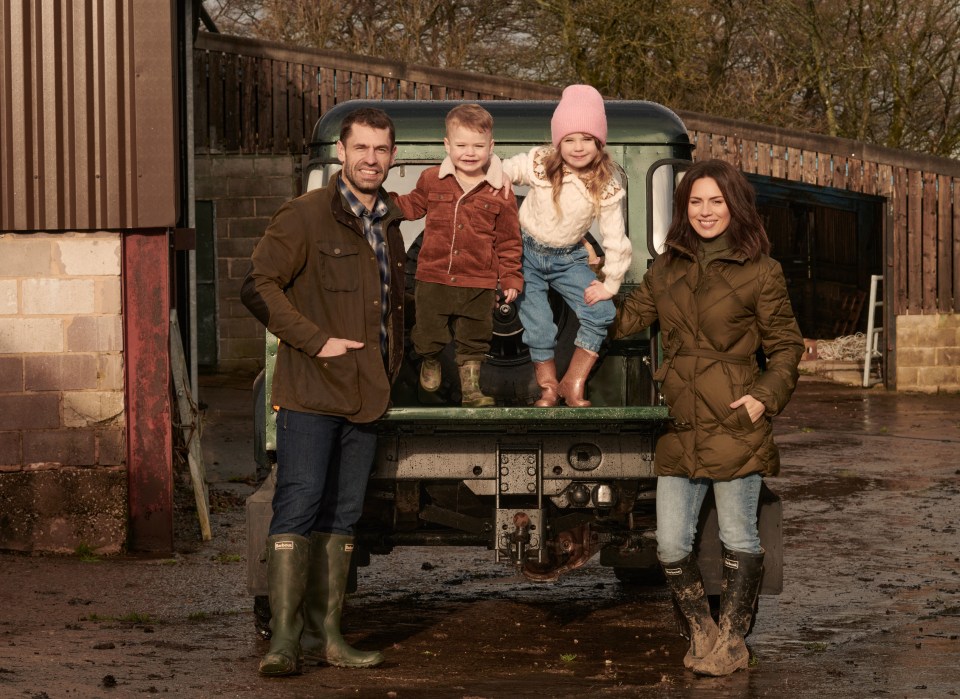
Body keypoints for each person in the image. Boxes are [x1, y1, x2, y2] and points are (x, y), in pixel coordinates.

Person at [613, 159, 804, 676]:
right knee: (671, 542)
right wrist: (591, 287)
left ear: (734, 205)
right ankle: (702, 629)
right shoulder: (664, 269)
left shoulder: (761, 271)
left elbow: (786, 347)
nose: (704, 211)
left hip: (735, 418)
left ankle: (735, 639)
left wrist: (764, 396)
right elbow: (628, 322)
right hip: (680, 425)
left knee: (739, 537)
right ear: (683, 209)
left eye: (715, 201)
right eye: (695, 202)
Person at [240, 107, 405, 677]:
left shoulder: (389, 221)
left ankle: (329, 636)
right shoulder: (306, 215)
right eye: (361, 148)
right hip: (312, 390)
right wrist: (314, 340)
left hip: (366, 394)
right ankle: (285, 642)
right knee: (299, 504)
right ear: (342, 151)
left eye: (381, 150)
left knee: (344, 513)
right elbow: (257, 285)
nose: (371, 159)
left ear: (392, 156)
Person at [500, 84, 631, 407]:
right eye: (569, 139)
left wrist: (610, 283)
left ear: (599, 142)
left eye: (587, 139)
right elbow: (509, 169)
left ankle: (572, 383)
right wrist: (496, 178)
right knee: (541, 324)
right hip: (526, 253)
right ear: (558, 142)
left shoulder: (605, 184)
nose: (577, 147)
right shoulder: (542, 163)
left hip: (568, 259)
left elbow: (615, 237)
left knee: (601, 311)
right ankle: (547, 386)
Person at [392, 103, 522, 407]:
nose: (469, 152)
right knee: (427, 330)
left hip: (478, 280)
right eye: (461, 145)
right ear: (447, 145)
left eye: (478, 146)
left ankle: (472, 390)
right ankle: (430, 360)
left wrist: (511, 277)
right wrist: (381, 203)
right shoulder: (431, 179)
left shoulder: (500, 191)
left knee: (474, 338)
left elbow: (509, 240)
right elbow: (411, 205)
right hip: (433, 275)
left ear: (491, 147)